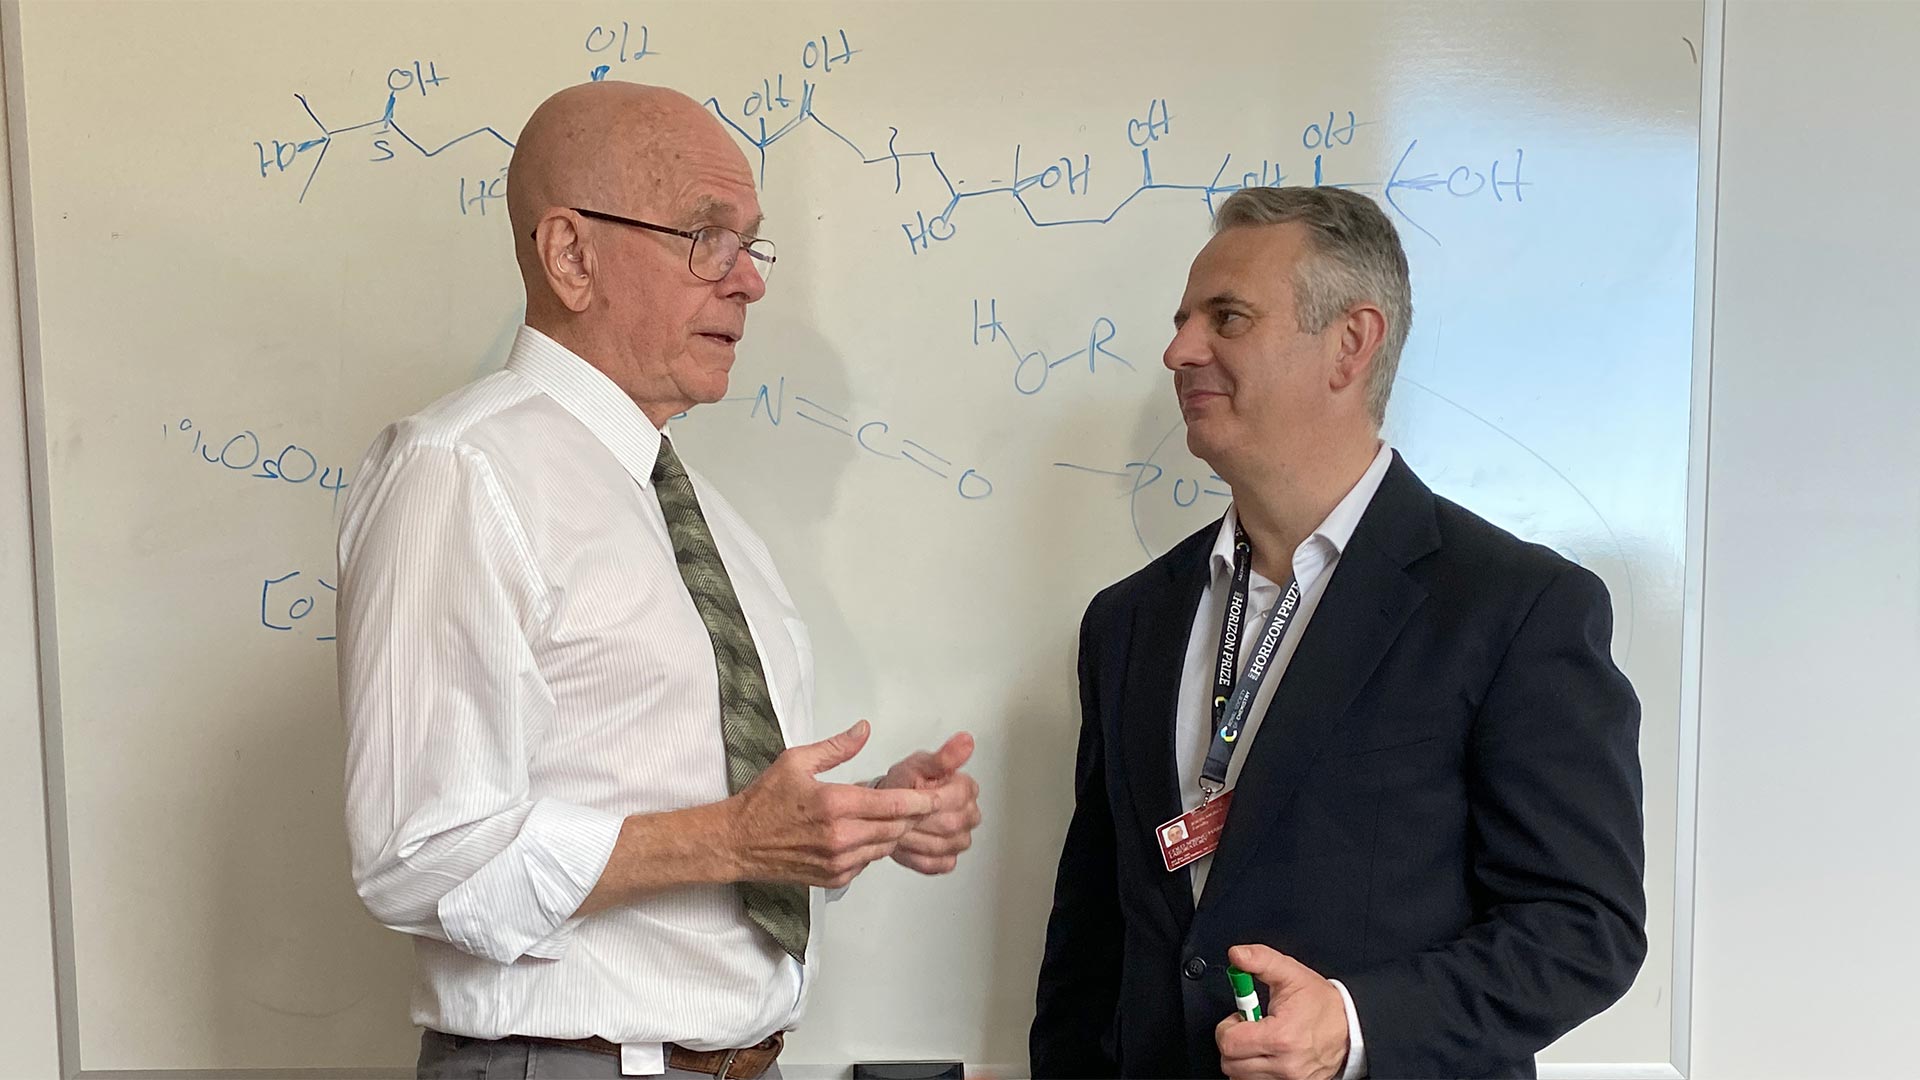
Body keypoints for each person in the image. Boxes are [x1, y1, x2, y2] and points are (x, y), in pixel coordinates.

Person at [337, 81, 982, 1080]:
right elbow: (420, 854)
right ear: (571, 255)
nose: (748, 282)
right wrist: (732, 836)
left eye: (751, 244)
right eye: (704, 236)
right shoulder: (459, 472)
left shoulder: (711, 523)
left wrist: (855, 821)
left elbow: (702, 817)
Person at [1030, 186, 1646, 1080]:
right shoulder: (1129, 620)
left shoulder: (1514, 607)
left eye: (1227, 317)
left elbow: (1582, 928)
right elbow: (1089, 941)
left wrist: (1354, 1025)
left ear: (1350, 343)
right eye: (1182, 319)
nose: (1178, 350)